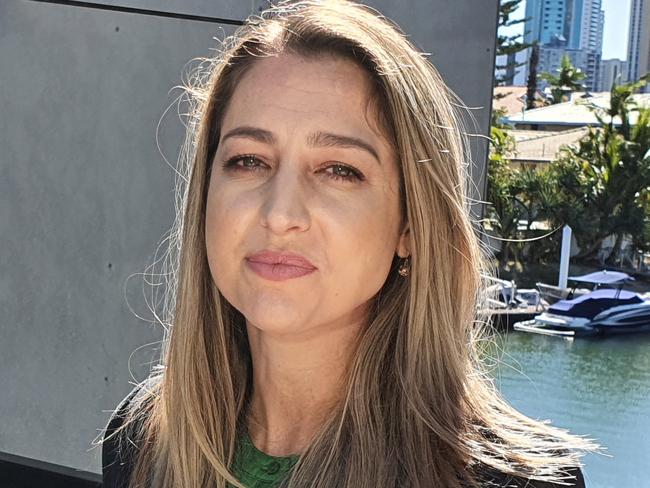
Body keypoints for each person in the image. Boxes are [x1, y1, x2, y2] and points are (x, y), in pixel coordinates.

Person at [102, 1, 596, 487]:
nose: (280, 214)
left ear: (410, 225)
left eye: (339, 170)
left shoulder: (515, 482)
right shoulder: (143, 439)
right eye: (249, 160)